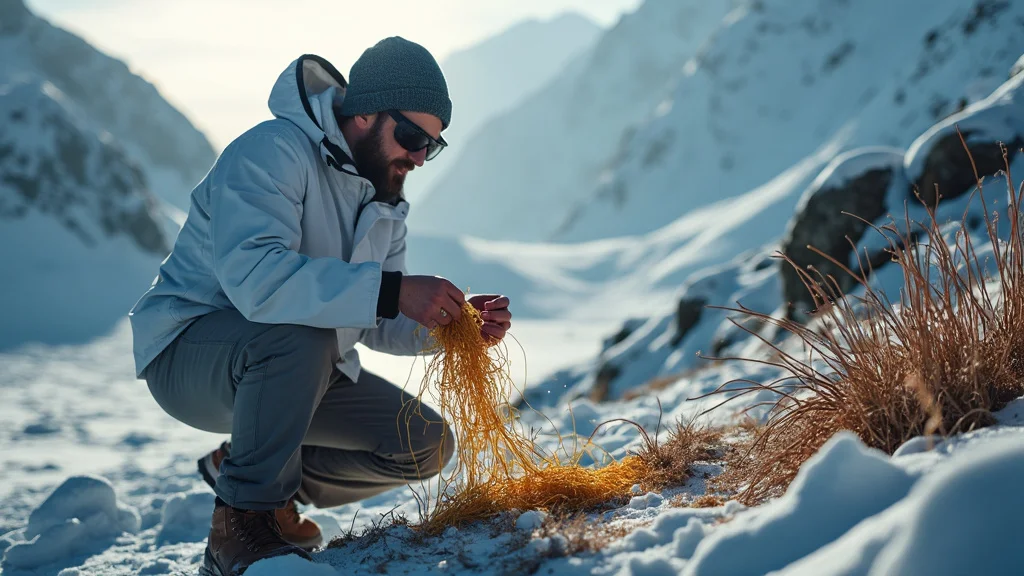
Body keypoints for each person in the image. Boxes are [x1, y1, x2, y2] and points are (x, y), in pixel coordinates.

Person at [128, 37, 512, 576]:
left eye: (434, 146)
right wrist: (394, 289)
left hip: (296, 369)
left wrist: (453, 324)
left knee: (425, 444)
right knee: (298, 336)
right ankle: (240, 529)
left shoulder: (385, 196)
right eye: (412, 136)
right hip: (191, 353)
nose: (420, 157)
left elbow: (377, 318)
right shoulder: (273, 151)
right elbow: (256, 280)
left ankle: (255, 478)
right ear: (364, 114)